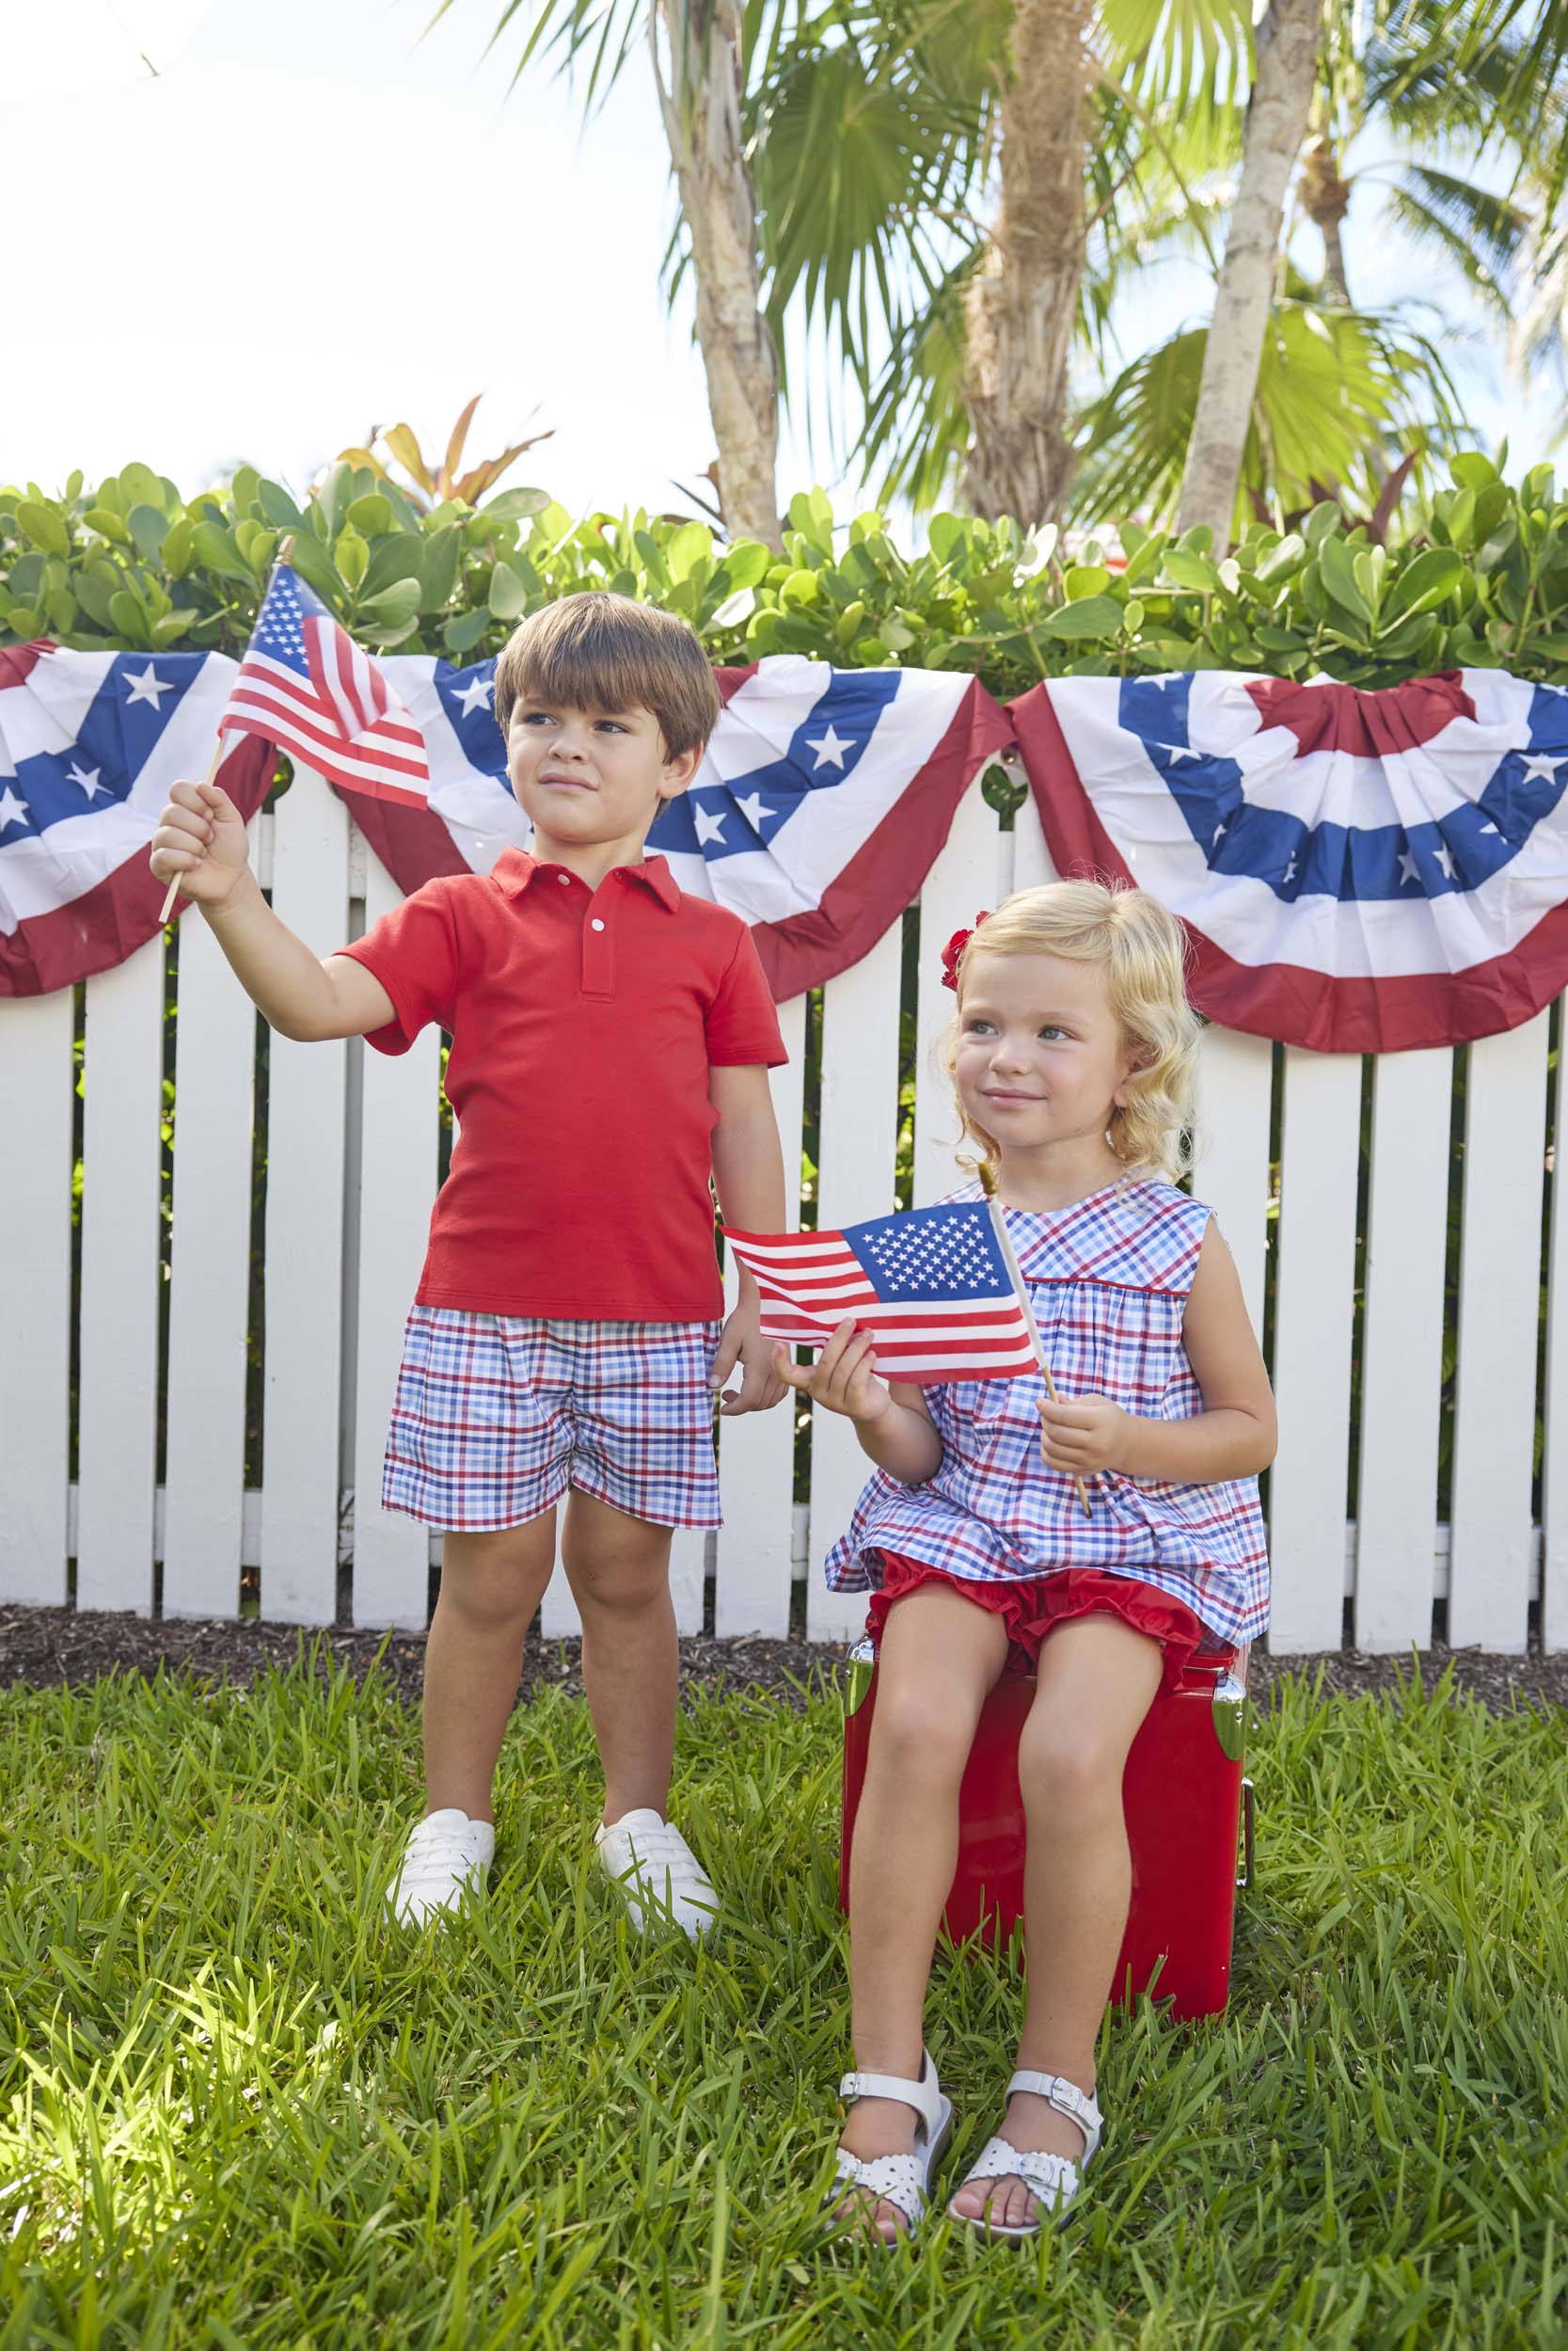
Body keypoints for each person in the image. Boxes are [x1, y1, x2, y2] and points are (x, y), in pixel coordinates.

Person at [150, 591, 789, 1939]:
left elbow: (743, 1123)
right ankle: (455, 1821)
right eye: (539, 716)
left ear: (676, 763)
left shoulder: (711, 941)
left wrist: (766, 1289)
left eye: (609, 724)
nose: (567, 742)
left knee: (626, 1576)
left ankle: (637, 1821)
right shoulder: (461, 913)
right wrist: (231, 897)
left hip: (660, 1322)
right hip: (484, 1317)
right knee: (487, 1581)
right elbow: (319, 1003)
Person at [775, 882, 1275, 2244]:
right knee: (915, 1722)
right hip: (972, 1522)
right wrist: (872, 1404)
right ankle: (890, 2076)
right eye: (985, 1023)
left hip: (1130, 1533)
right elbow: (929, 1455)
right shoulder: (941, 1244)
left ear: (1134, 1065)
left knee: (1066, 1753)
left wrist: (1129, 1438)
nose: (1009, 1055)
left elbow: (1250, 1429)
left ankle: (1057, 2081)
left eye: (1055, 1033)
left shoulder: (1178, 1238)